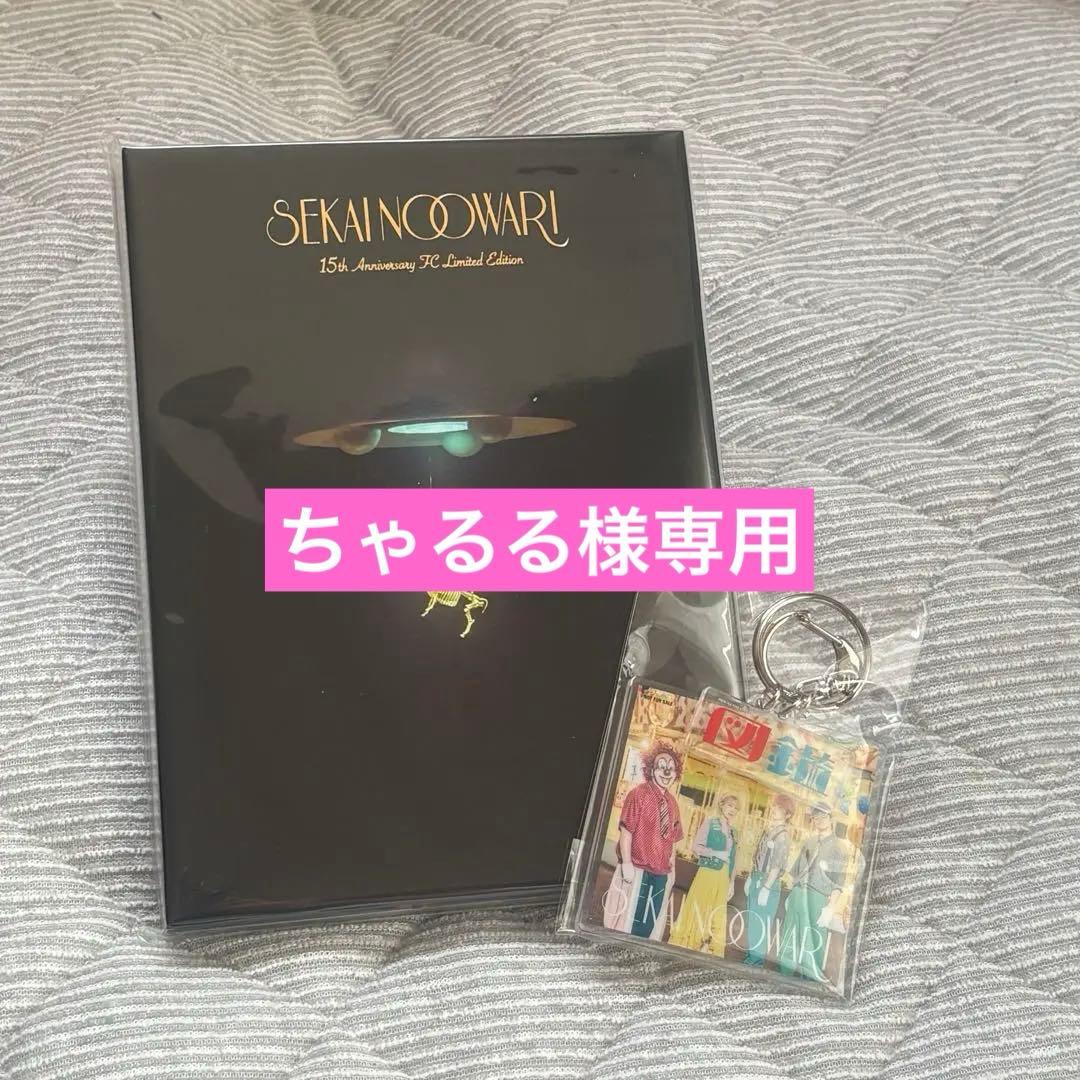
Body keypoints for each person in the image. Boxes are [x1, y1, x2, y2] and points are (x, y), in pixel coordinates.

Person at [605, 741, 684, 939]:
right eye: (661, 767)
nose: (666, 772)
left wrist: (672, 870)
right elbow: (626, 831)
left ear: (676, 773)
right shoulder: (638, 794)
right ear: (651, 769)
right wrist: (627, 863)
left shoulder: (673, 803)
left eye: (671, 768)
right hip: (638, 869)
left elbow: (672, 840)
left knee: (649, 923)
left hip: (661, 873)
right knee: (628, 921)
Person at [778, 802, 848, 982]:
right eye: (816, 818)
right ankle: (783, 979)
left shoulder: (839, 848)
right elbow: (796, 871)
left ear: (831, 819)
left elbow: (838, 883)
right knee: (789, 939)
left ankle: (808, 986)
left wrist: (830, 907)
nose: (819, 820)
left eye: (823, 817)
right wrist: (792, 892)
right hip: (798, 893)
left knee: (812, 945)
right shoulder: (809, 842)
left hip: (817, 897)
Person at [669, 792, 739, 955]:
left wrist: (732, 883)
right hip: (707, 873)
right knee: (699, 907)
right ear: (722, 805)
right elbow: (696, 847)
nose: (732, 810)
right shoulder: (710, 823)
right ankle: (689, 943)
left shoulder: (734, 832)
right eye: (729, 805)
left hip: (723, 877)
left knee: (716, 912)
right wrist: (716, 853)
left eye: (736, 808)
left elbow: (735, 859)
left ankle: (707, 947)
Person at [742, 792, 795, 966]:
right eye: (774, 806)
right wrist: (751, 877)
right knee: (752, 921)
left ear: (787, 814)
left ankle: (755, 963)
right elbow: (758, 856)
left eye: (779, 808)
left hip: (768, 882)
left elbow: (777, 865)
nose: (774, 809)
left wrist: (766, 887)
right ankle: (751, 959)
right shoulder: (769, 830)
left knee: (761, 923)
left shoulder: (783, 836)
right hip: (757, 877)